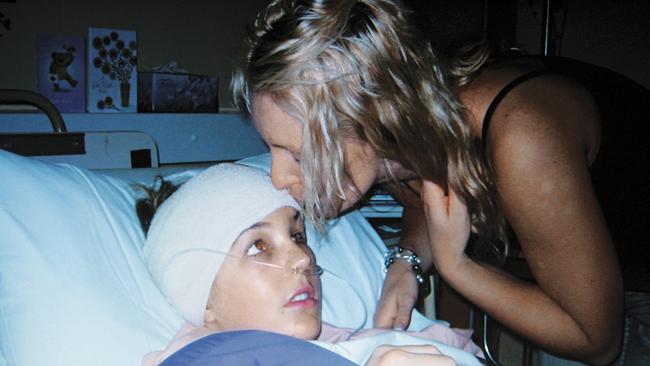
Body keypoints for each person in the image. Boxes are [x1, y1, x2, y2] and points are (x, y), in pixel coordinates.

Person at [231, 1, 650, 364]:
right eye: (273, 149)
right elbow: (422, 195)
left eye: (302, 157)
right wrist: (407, 261)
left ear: (380, 123)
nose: (279, 178)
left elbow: (596, 339)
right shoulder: (405, 138)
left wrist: (456, 267)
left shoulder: (523, 134)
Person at [138, 163, 483, 366]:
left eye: (298, 235)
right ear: (205, 301)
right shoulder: (211, 359)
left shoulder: (352, 341)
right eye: (258, 246)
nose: (303, 258)